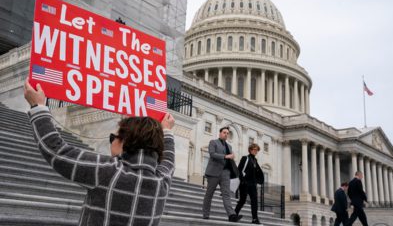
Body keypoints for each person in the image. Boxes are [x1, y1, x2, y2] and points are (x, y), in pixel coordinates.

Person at [23, 79, 175, 226]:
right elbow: (168, 160)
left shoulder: (108, 171)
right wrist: (166, 131)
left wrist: (38, 106)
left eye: (113, 137)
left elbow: (57, 151)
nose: (111, 142)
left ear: (126, 141)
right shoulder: (161, 183)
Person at [202, 126, 242, 222]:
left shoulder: (229, 146)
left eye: (227, 133)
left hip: (225, 173)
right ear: (220, 133)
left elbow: (229, 159)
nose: (226, 134)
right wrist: (226, 156)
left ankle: (232, 215)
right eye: (224, 132)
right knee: (209, 194)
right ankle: (205, 214)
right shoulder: (213, 142)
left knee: (226, 194)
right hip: (214, 173)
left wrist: (231, 158)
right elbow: (212, 154)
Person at [235, 144, 264, 224]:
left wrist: (259, 180)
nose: (255, 151)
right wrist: (243, 180)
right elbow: (239, 170)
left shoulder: (255, 161)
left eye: (257, 150)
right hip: (245, 183)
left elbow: (257, 172)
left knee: (254, 201)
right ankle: (234, 214)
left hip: (253, 184)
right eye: (254, 149)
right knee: (242, 200)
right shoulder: (246, 158)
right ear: (250, 150)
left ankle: (255, 219)